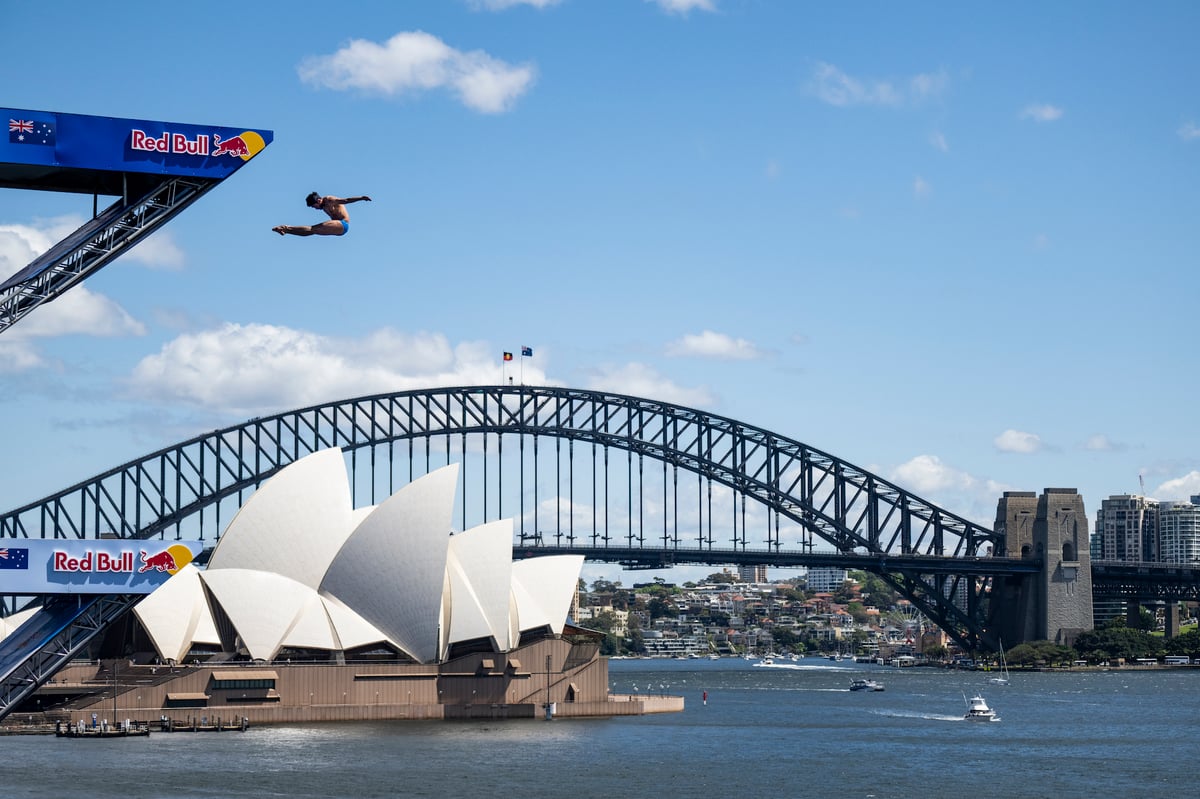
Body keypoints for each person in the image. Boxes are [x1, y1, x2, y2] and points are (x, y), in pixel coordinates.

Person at [273, 192, 371, 237]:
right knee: (311, 232)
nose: (315, 209)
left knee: (313, 229)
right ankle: (286, 231)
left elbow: (346, 200)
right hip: (338, 229)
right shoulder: (323, 206)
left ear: (319, 200)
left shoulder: (329, 200)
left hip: (343, 224)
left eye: (314, 206)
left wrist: (361, 198)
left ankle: (285, 227)